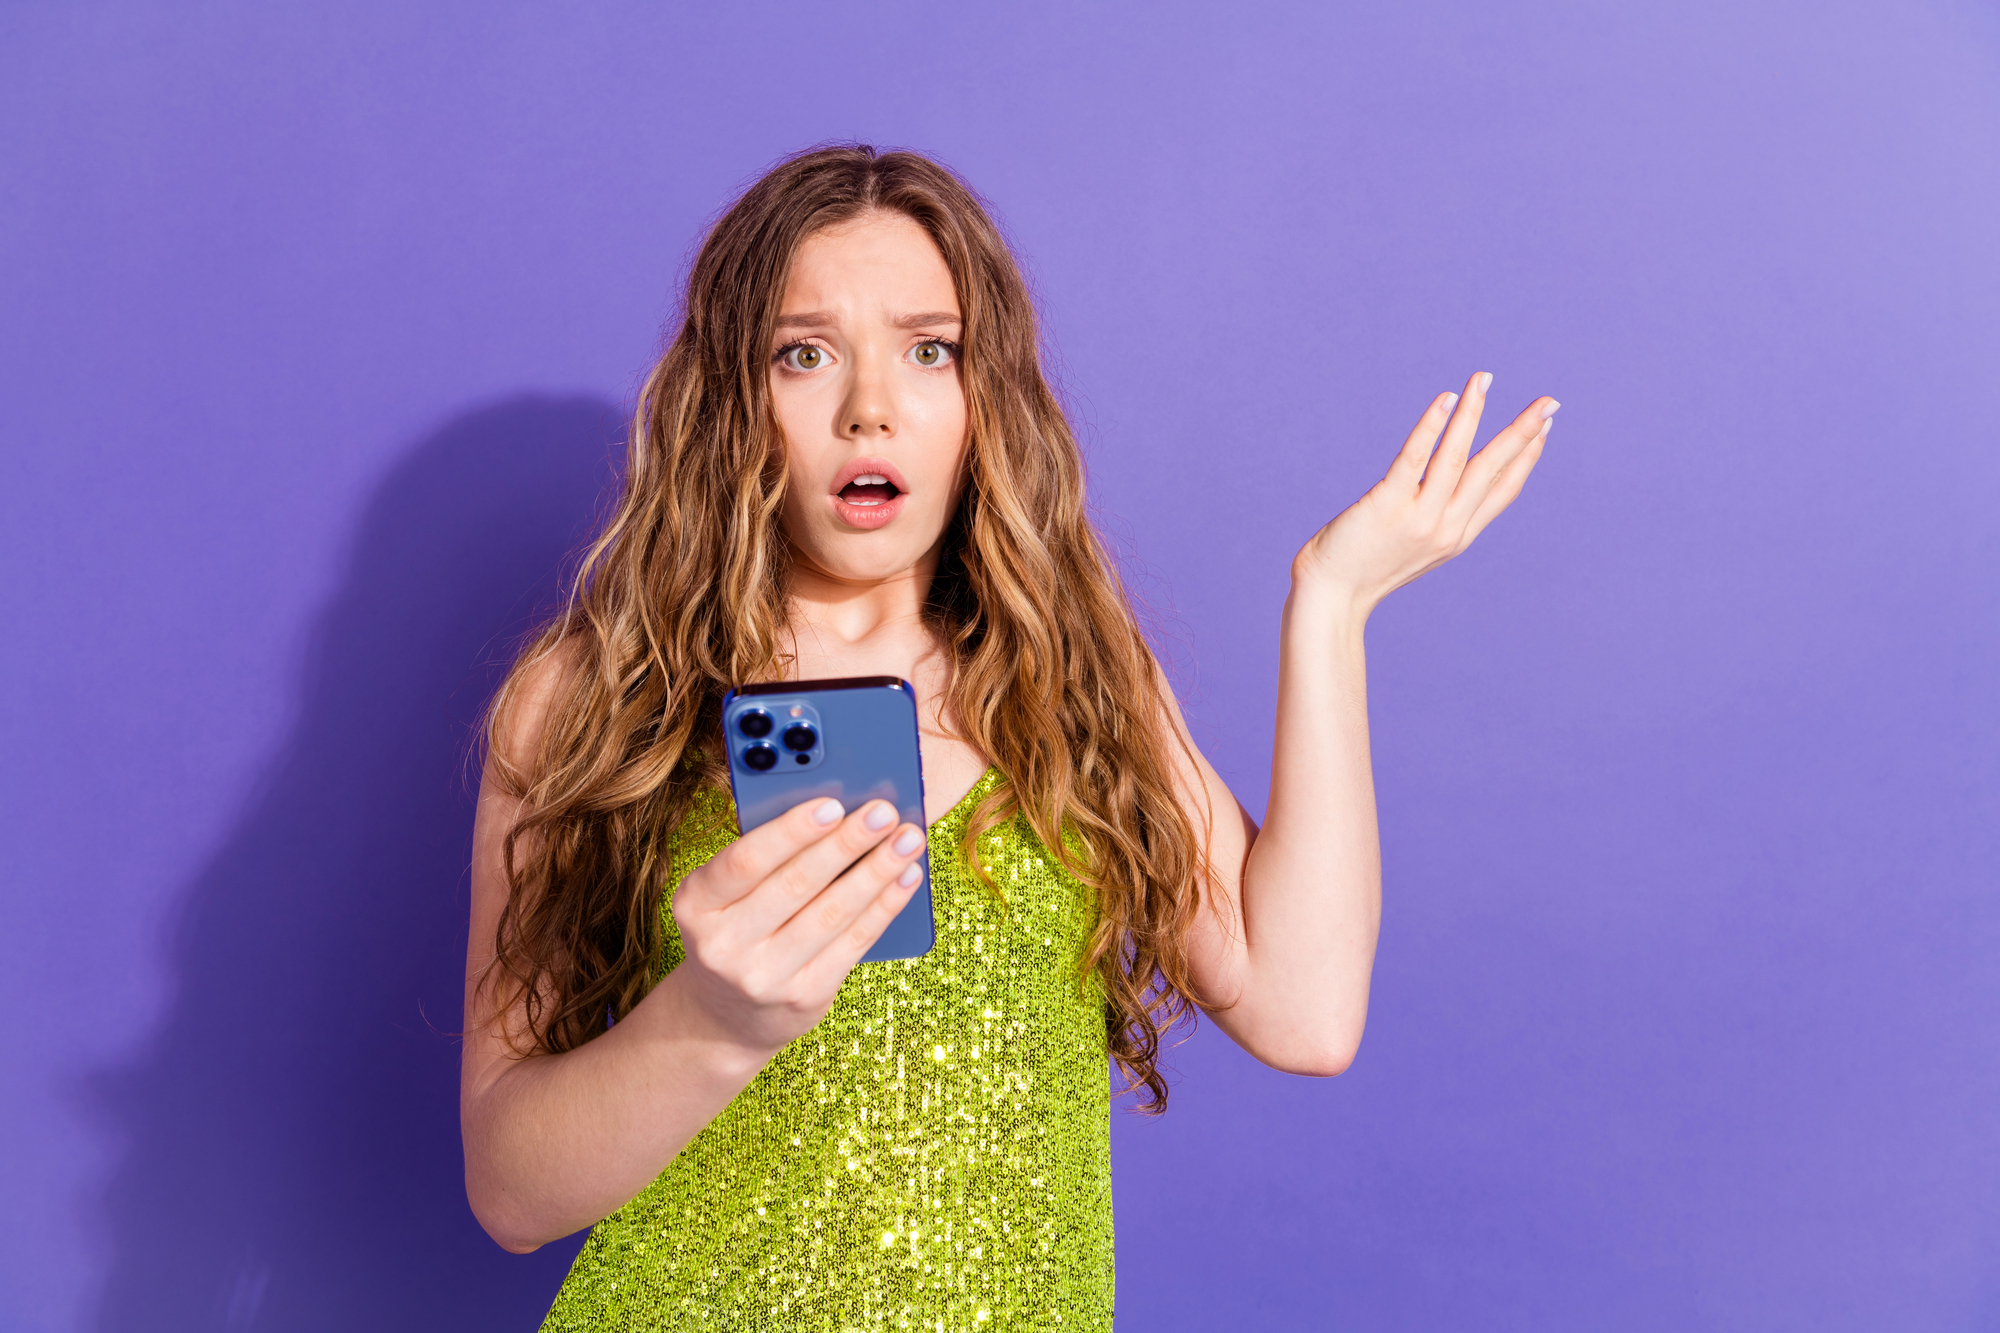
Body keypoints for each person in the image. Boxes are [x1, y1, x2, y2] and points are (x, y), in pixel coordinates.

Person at [460, 144, 1556, 1331]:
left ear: (985, 402)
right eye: (804, 352)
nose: (868, 404)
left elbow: (1301, 1007)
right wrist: (712, 1022)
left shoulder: (1072, 680)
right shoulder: (590, 701)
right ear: (732, 395)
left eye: (928, 350)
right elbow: (511, 1190)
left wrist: (1330, 605)